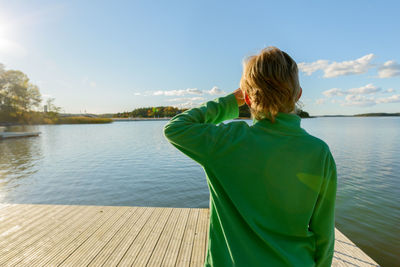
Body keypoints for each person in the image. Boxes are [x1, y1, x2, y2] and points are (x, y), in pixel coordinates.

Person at [163, 46, 337, 267]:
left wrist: (230, 101)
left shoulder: (225, 142)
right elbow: (324, 234)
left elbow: (176, 128)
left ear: (246, 97)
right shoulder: (318, 152)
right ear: (298, 95)